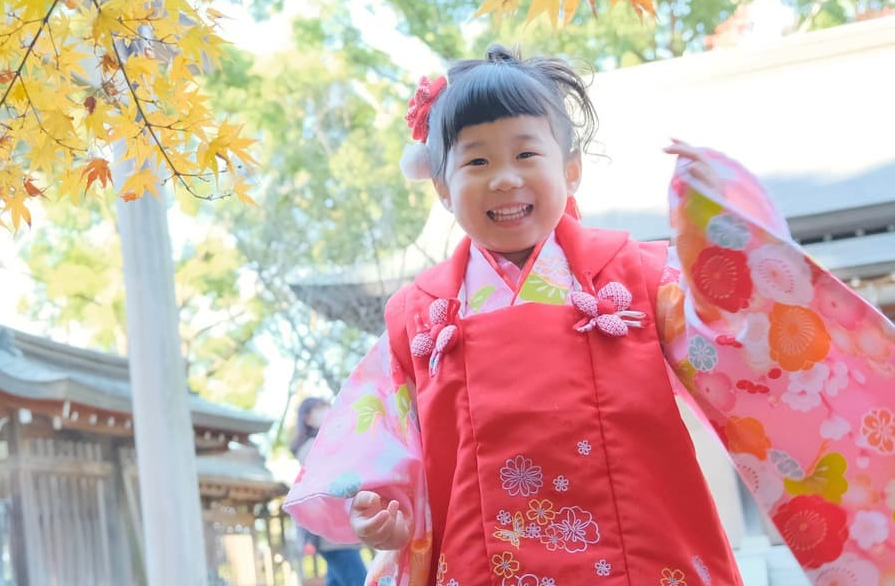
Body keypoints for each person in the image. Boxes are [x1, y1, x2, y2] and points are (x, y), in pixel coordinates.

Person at [284, 45, 895, 586]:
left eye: (526, 153)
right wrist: (384, 509)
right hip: (480, 564)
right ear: (442, 187)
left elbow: (742, 344)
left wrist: (726, 225)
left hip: (642, 557)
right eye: (475, 163)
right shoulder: (417, 317)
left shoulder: (639, 277)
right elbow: (384, 451)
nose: (504, 178)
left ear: (569, 170)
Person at [292, 397, 369, 586]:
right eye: (319, 408)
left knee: (336, 581)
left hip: (334, 535)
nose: (326, 410)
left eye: (326, 406)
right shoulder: (312, 447)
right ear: (307, 419)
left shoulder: (326, 442)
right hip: (332, 536)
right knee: (359, 581)